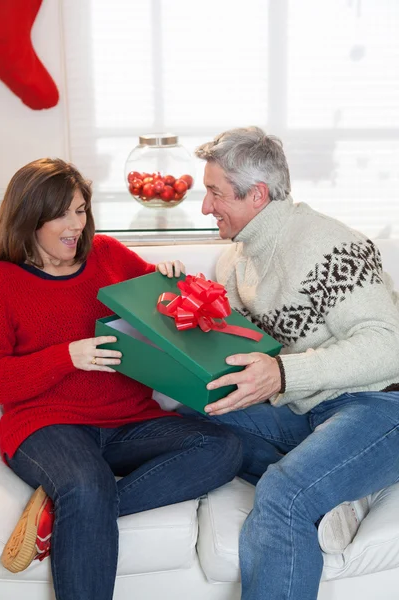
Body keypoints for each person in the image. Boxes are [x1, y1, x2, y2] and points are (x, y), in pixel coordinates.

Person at [0, 158, 243, 600]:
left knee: (224, 447)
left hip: (129, 422)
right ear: (29, 217)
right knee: (86, 485)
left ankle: (66, 513)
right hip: (47, 424)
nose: (76, 224)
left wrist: (173, 283)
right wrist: (65, 357)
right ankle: (81, 501)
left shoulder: (108, 256)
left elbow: (170, 314)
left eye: (80, 210)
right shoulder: (4, 282)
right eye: (62, 213)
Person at [193, 127, 399, 600]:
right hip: (307, 415)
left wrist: (285, 373)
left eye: (214, 193)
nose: (205, 207)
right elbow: (237, 347)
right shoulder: (234, 262)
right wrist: (182, 296)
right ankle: (331, 485)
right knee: (192, 417)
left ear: (258, 194)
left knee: (282, 495)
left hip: (381, 405)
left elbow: (388, 343)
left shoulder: (327, 244)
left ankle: (310, 486)